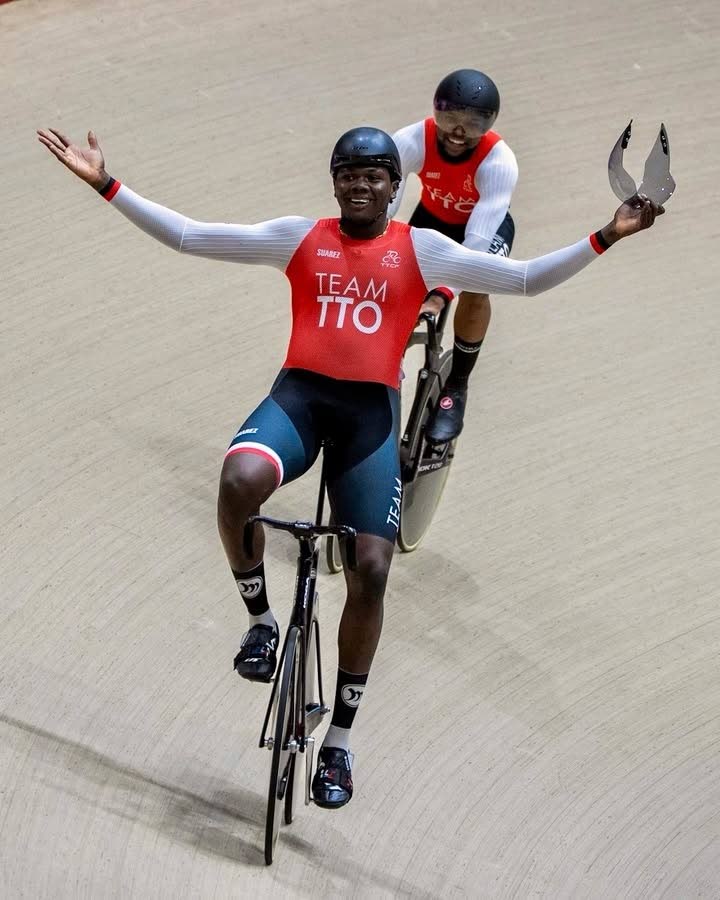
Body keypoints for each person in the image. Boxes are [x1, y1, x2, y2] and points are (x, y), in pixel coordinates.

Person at [37, 124, 663, 809]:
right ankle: (261, 621)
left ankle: (338, 741)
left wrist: (608, 233)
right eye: (348, 175)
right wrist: (106, 183)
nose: (361, 185)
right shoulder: (299, 237)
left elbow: (520, 279)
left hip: (368, 420)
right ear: (335, 182)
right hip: (300, 400)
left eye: (375, 176)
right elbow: (190, 235)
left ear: (397, 189)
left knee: (371, 570)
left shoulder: (422, 248)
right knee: (237, 481)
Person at [390, 68, 518, 443]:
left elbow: (476, 245)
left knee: (479, 284)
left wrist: (442, 292)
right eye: (449, 119)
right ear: (435, 112)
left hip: (480, 230)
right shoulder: (412, 139)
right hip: (431, 222)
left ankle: (457, 385)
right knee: (390, 280)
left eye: (474, 123)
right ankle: (383, 363)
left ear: (489, 124)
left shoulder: (499, 161)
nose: (459, 132)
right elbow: (387, 207)